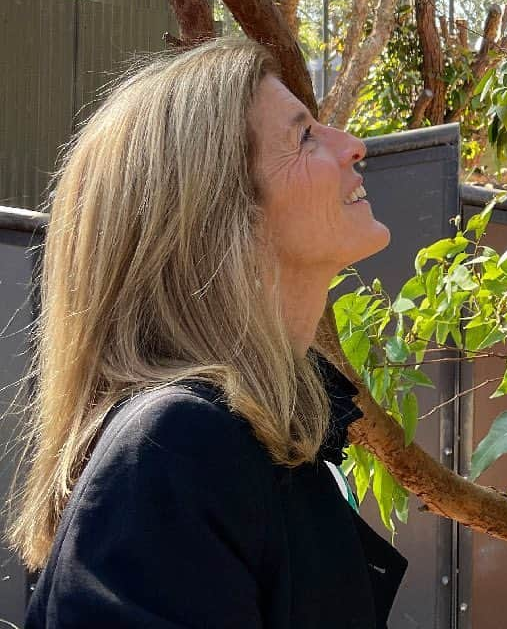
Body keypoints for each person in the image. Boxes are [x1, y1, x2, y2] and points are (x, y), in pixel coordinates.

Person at [9, 37, 407, 628]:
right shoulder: (174, 448)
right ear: (218, 211)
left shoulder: (272, 430)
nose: (355, 146)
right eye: (303, 137)